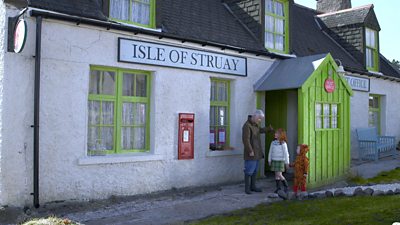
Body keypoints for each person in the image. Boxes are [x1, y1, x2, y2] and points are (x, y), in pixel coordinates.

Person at [242, 110, 269, 194]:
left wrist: (268, 129)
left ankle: (253, 186)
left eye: (261, 119)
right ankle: (247, 189)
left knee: (255, 171)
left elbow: (259, 130)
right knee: (249, 170)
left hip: (257, 152)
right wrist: (250, 150)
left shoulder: (255, 125)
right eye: (259, 118)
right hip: (251, 153)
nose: (260, 120)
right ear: (255, 117)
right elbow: (245, 140)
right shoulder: (247, 126)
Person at [268, 128, 290, 193]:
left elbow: (286, 154)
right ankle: (278, 188)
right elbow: (270, 151)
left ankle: (286, 186)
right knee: (276, 175)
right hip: (274, 160)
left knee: (279, 174)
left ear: (280, 135)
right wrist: (269, 160)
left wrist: (287, 163)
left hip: (280, 161)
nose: (275, 134)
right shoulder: (273, 143)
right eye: (275, 133)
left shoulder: (283, 143)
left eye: (277, 133)